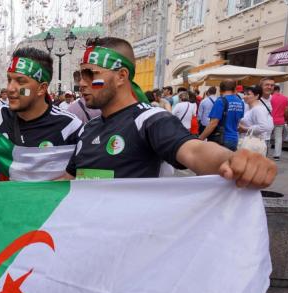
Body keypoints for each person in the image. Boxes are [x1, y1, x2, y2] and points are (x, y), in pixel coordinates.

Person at [63, 37, 275, 189]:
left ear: (121, 76)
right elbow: (70, 178)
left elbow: (194, 151)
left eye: (91, 75)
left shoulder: (150, 120)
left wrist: (233, 160)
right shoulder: (89, 128)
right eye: (80, 75)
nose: (81, 83)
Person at [0, 46, 84, 180]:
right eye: (9, 79)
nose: (10, 88)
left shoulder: (70, 126)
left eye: (20, 81)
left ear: (42, 89)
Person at [198, 80, 245, 151]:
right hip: (234, 139)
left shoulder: (220, 101)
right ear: (234, 89)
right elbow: (238, 121)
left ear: (220, 89)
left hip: (221, 139)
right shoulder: (240, 102)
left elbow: (213, 123)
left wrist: (200, 138)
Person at [239, 85, 274, 154]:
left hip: (253, 145)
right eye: (244, 94)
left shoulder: (258, 109)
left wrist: (245, 129)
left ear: (257, 96)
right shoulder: (251, 108)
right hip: (249, 142)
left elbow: (264, 126)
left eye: (248, 94)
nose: (244, 96)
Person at [271, 85, 288, 160]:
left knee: (267, 136)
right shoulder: (285, 98)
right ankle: (276, 155)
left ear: (273, 90)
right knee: (278, 138)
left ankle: (265, 153)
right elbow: (286, 111)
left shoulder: (270, 98)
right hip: (280, 120)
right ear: (279, 90)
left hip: (270, 120)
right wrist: (286, 118)